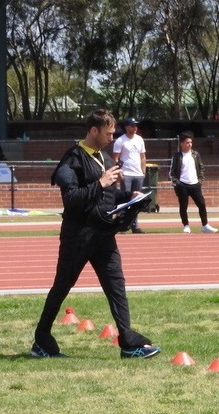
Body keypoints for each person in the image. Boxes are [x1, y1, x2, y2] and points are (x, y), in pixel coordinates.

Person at [31, 109, 160, 359]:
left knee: (116, 285)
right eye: (109, 133)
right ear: (94, 131)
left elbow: (108, 197)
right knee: (62, 287)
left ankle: (129, 342)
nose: (113, 137)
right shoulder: (73, 159)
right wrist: (100, 182)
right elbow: (71, 199)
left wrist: (130, 197)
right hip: (78, 236)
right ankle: (42, 340)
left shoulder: (106, 160)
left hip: (103, 235)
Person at [170, 131, 219, 234]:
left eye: (191, 142)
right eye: (187, 142)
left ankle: (205, 225)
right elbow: (172, 172)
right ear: (181, 144)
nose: (190, 144)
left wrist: (200, 181)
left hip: (195, 184)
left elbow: (201, 168)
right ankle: (186, 225)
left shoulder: (195, 154)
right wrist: (177, 182)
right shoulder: (177, 156)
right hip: (182, 184)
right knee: (183, 206)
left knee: (201, 204)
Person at [112, 117, 147, 234]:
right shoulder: (120, 141)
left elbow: (143, 156)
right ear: (126, 127)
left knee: (137, 201)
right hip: (126, 174)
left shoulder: (140, 140)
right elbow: (116, 158)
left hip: (138, 174)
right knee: (125, 201)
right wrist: (119, 171)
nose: (135, 128)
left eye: (136, 125)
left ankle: (135, 225)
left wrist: (143, 171)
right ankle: (122, 225)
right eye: (132, 125)